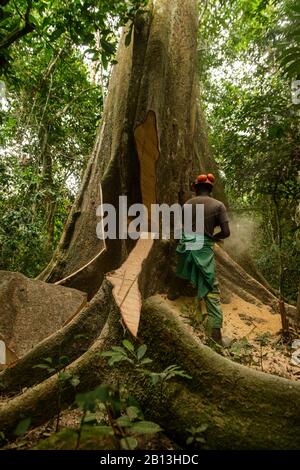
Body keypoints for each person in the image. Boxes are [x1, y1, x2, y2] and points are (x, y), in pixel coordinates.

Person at [175, 173, 230, 346]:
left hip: (187, 243)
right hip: (203, 246)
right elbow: (226, 232)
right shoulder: (218, 205)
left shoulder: (187, 204)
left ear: (196, 189)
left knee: (185, 266)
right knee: (210, 286)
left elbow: (182, 226)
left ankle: (173, 291)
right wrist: (213, 237)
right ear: (211, 189)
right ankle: (216, 335)